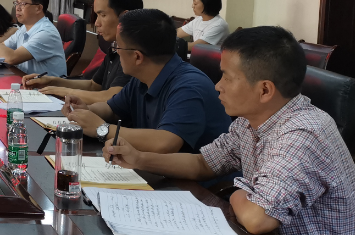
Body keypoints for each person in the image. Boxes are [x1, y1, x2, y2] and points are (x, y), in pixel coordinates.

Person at [107, 26, 355, 235]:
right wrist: (139, 159)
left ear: (264, 90)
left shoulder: (301, 134)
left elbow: (257, 218)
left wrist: (237, 193)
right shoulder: (251, 121)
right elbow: (202, 163)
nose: (217, 86)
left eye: (227, 78)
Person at [64, 8, 230, 153]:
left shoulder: (189, 86)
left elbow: (165, 143)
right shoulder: (143, 77)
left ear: (137, 57)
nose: (116, 52)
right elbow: (113, 109)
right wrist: (85, 111)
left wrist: (102, 129)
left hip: (194, 179)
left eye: (118, 46)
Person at [24, 0, 143, 104]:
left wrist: (61, 91)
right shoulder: (115, 47)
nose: (97, 23)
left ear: (124, 17)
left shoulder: (133, 54)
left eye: (103, 15)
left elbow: (111, 97)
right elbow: (94, 85)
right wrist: (51, 81)